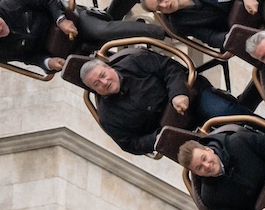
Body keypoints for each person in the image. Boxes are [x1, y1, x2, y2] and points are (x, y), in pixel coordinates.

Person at [78, 51, 245, 156]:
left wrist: (177, 94)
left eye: (102, 75)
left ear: (109, 68)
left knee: (226, 112)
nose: (104, 82)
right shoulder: (107, 116)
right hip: (176, 134)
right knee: (216, 157)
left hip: (194, 100)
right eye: (96, 84)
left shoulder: (135, 60)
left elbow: (169, 68)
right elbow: (129, 143)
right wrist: (158, 136)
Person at [0, 0, 158, 71]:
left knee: (103, 31)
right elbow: (28, 57)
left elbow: (48, 0)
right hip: (62, 49)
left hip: (70, 21)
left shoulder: (11, 2)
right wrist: (47, 62)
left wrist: (62, 20)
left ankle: (160, 32)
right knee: (90, 72)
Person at [178, 123, 265, 210]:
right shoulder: (210, 197)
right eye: (199, 168)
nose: (206, 166)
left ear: (209, 150)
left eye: (204, 158)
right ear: (196, 173)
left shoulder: (237, 142)